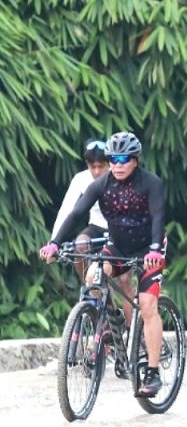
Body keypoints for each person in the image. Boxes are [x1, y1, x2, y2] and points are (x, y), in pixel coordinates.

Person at [41, 132, 168, 397]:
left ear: (135, 160)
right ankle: (108, 323)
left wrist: (155, 249)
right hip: (118, 246)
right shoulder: (101, 184)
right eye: (113, 159)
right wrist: (54, 243)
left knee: (147, 304)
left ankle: (153, 373)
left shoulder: (151, 183)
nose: (117, 165)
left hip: (149, 249)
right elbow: (76, 213)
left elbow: (158, 217)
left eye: (123, 159)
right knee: (93, 278)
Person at [51, 139, 111, 282]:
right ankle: (92, 293)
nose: (96, 172)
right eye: (92, 166)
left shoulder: (119, 176)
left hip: (120, 229)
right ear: (86, 164)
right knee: (80, 246)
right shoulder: (81, 179)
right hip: (96, 226)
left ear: (109, 164)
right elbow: (67, 210)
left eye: (101, 167)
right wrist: (54, 242)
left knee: (123, 280)